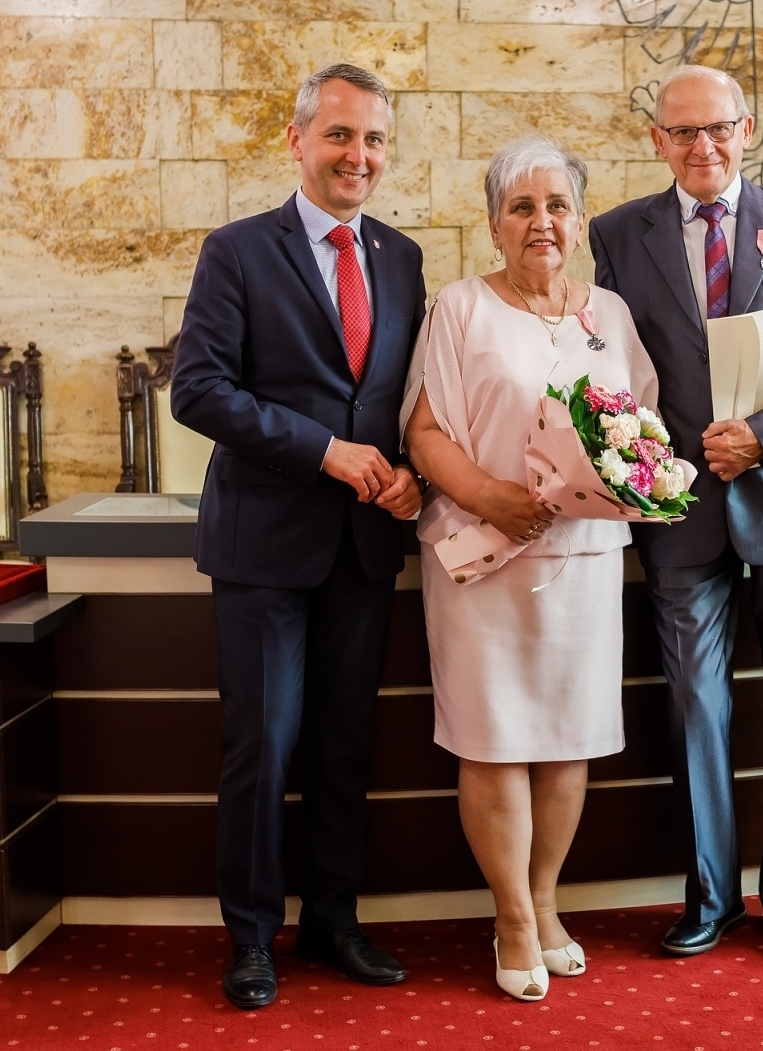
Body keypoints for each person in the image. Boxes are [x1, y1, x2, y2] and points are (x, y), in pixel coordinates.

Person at [589, 65, 763, 966]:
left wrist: (762, 438)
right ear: (657, 140)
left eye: (717, 128)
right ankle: (709, 896)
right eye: (683, 132)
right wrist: (632, 460)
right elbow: (607, 368)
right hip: (679, 509)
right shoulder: (616, 235)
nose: (701, 146)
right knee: (693, 708)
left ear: (746, 130)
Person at [170, 63, 427, 1010]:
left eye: (374, 140)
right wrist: (324, 451)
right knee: (265, 747)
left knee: (344, 747)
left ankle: (332, 919)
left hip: (364, 545)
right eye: (340, 135)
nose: (358, 155)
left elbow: (402, 396)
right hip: (265, 545)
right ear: (297, 140)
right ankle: (250, 937)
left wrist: (411, 470)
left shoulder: (401, 258)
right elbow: (198, 390)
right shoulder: (236, 251)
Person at [401, 136, 662, 1002]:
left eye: (557, 206)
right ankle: (511, 918)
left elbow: (643, 430)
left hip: (582, 559)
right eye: (521, 207)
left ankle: (545, 902)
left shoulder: (611, 314)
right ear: (493, 226)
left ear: (580, 223)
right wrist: (493, 497)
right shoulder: (460, 308)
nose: (540, 222)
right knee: (494, 741)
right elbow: (424, 433)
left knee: (567, 740)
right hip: (483, 556)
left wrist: (628, 480)